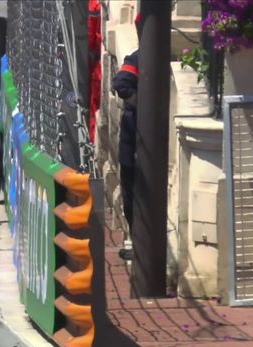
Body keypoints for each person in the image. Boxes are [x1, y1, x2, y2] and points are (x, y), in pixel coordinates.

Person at [111, 12, 142, 261]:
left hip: (150, 146)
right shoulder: (135, 59)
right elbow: (121, 84)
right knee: (130, 194)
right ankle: (136, 242)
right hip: (132, 141)